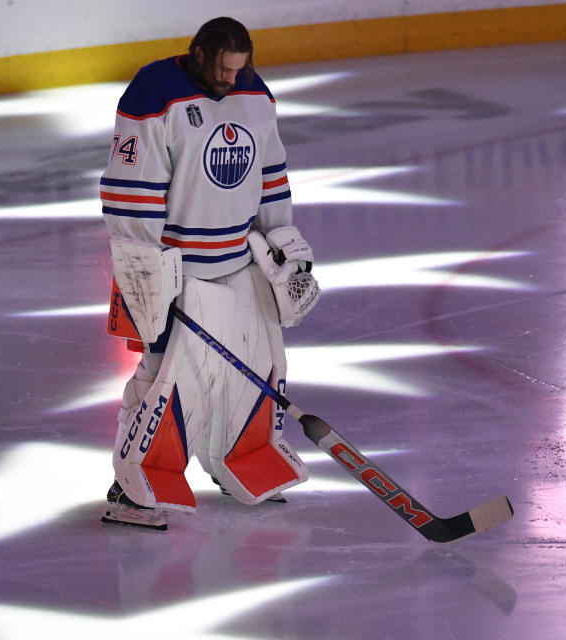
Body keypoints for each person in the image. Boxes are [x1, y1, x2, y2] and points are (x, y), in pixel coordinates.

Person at [98, 17, 319, 530]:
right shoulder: (156, 91)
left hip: (239, 261)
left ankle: (237, 459)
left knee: (254, 368)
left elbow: (270, 174)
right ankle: (131, 484)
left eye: (239, 70)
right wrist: (146, 273)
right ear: (197, 53)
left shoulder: (252, 92)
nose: (229, 80)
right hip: (179, 269)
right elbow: (132, 190)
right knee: (166, 378)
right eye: (221, 68)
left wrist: (286, 249)